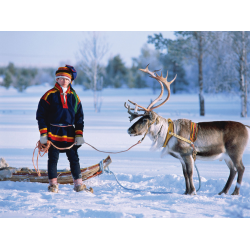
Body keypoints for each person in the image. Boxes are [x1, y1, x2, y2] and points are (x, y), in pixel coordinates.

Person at [36, 65, 85, 193]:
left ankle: (78, 184)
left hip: (70, 133)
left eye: (66, 79)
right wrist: (43, 135)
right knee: (53, 159)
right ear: (56, 80)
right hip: (53, 133)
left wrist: (79, 134)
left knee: (74, 159)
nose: (64, 81)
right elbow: (40, 115)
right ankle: (53, 185)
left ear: (70, 81)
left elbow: (79, 117)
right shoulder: (49, 95)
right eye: (61, 78)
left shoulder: (75, 97)